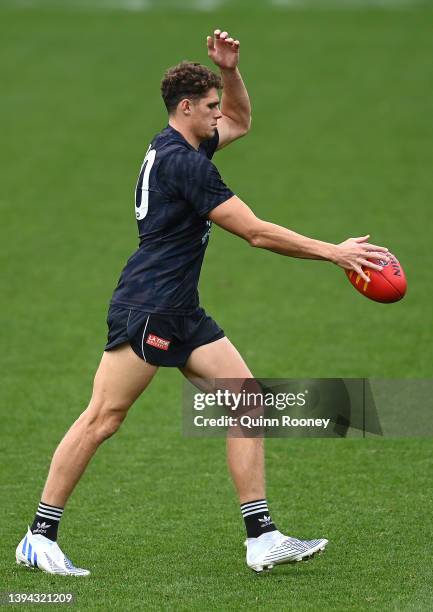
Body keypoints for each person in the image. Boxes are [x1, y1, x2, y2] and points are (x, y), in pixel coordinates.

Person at [16, 29, 388, 576]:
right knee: (103, 418)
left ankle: (261, 536)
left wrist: (231, 73)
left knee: (247, 401)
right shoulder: (186, 165)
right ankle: (38, 536)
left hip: (180, 308)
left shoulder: (179, 144)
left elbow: (241, 122)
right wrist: (335, 252)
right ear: (185, 108)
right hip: (150, 307)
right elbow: (256, 233)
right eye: (210, 106)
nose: (220, 115)